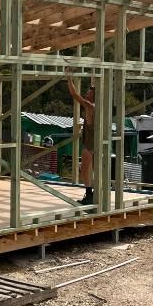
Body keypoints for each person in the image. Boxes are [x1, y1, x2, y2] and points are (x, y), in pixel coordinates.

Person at [66, 72, 96, 206]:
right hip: (96, 143)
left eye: (88, 93)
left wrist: (69, 78)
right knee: (94, 170)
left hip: (90, 144)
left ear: (93, 96)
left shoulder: (90, 106)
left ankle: (90, 194)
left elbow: (74, 94)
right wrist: (93, 76)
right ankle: (93, 193)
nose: (86, 94)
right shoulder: (98, 106)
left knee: (84, 170)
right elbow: (94, 87)